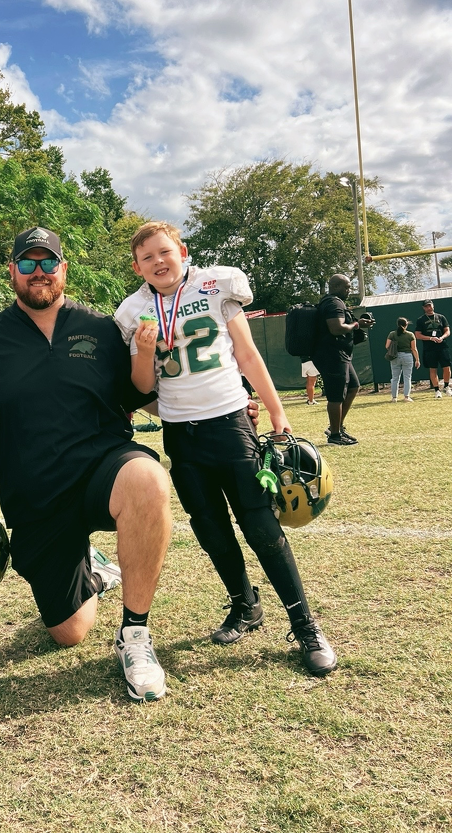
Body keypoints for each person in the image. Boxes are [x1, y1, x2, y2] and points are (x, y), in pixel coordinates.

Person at [0, 226, 175, 703]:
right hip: (35, 496)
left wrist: (226, 404)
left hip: (103, 466)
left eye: (48, 262)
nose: (39, 272)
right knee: (69, 631)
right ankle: (94, 572)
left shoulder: (99, 328)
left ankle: (135, 636)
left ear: (63, 270)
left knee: (149, 481)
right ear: (12, 271)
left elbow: (142, 394)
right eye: (28, 263)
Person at [115, 221, 337, 677]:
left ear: (182, 251)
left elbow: (248, 354)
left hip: (231, 422)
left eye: (164, 252)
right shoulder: (133, 310)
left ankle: (305, 624)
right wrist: (142, 352)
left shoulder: (215, 285)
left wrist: (277, 412)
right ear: (137, 266)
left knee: (259, 525)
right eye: (147, 257)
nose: (158, 262)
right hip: (180, 432)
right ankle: (245, 604)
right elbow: (140, 389)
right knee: (210, 527)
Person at [311, 274, 374, 446]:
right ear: (337, 287)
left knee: (353, 386)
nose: (349, 290)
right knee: (336, 395)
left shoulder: (334, 302)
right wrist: (357, 324)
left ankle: (335, 427)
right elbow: (336, 328)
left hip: (340, 354)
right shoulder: (333, 303)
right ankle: (335, 436)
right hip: (332, 355)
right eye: (347, 287)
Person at [414, 299, 451, 398]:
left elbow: (447, 331)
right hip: (429, 348)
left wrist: (442, 338)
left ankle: (447, 387)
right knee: (432, 369)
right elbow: (417, 335)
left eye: (430, 305)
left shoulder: (441, 317)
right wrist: (430, 338)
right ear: (423, 308)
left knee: (446, 367)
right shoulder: (420, 320)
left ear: (433, 306)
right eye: (426, 306)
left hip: (442, 346)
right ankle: (437, 390)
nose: (428, 308)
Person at [385, 317, 420, 402]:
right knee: (407, 377)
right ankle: (406, 397)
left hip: (395, 356)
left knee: (395, 378)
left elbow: (387, 346)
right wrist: (417, 360)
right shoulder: (410, 335)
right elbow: (414, 349)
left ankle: (394, 397)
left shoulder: (392, 334)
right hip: (407, 356)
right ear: (406, 324)